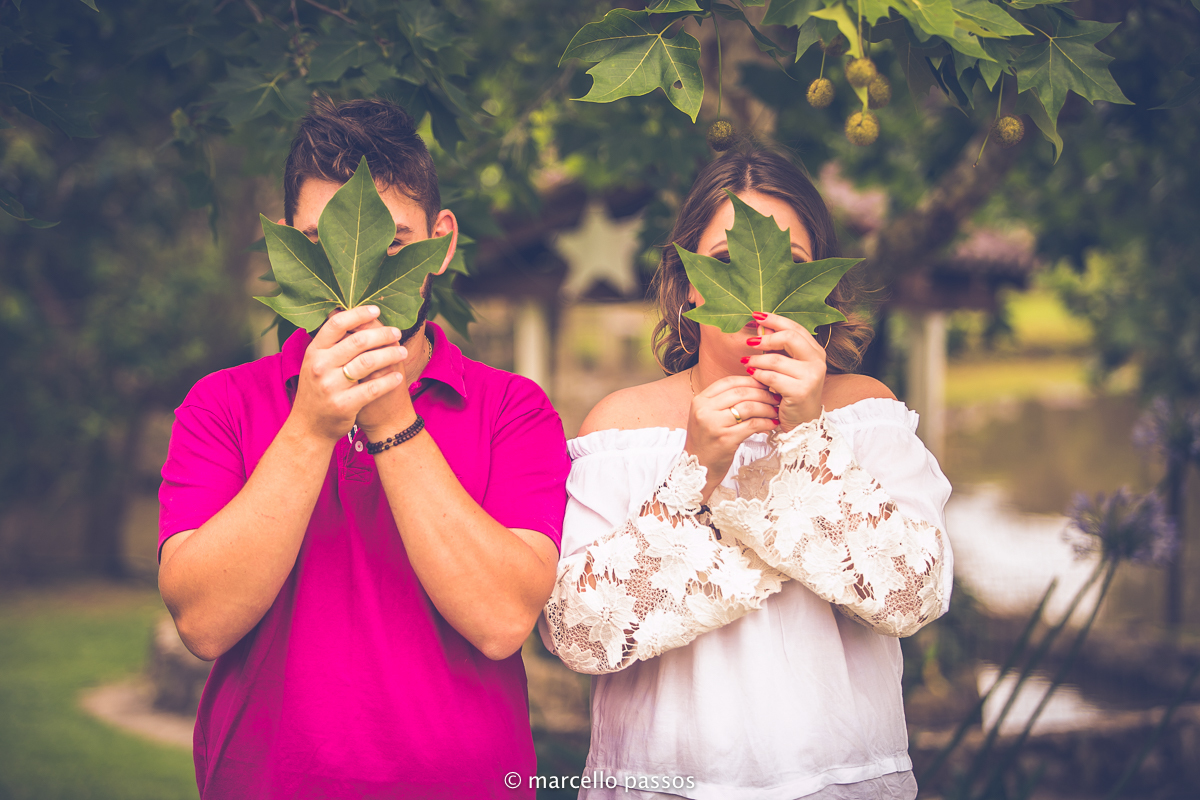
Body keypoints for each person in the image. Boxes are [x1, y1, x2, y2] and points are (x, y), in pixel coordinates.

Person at [157, 98, 570, 799]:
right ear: (288, 245)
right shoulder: (220, 405)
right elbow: (203, 622)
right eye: (323, 243)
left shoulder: (515, 411)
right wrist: (312, 426)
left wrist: (388, 414)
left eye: (395, 244)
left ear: (441, 242)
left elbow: (503, 621)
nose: (361, 287)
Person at [540, 147, 953, 800]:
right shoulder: (620, 427)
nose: (759, 298)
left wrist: (807, 443)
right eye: (728, 264)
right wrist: (696, 473)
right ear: (691, 282)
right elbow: (578, 634)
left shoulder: (867, 414)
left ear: (821, 281)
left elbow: (913, 596)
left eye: (788, 265)